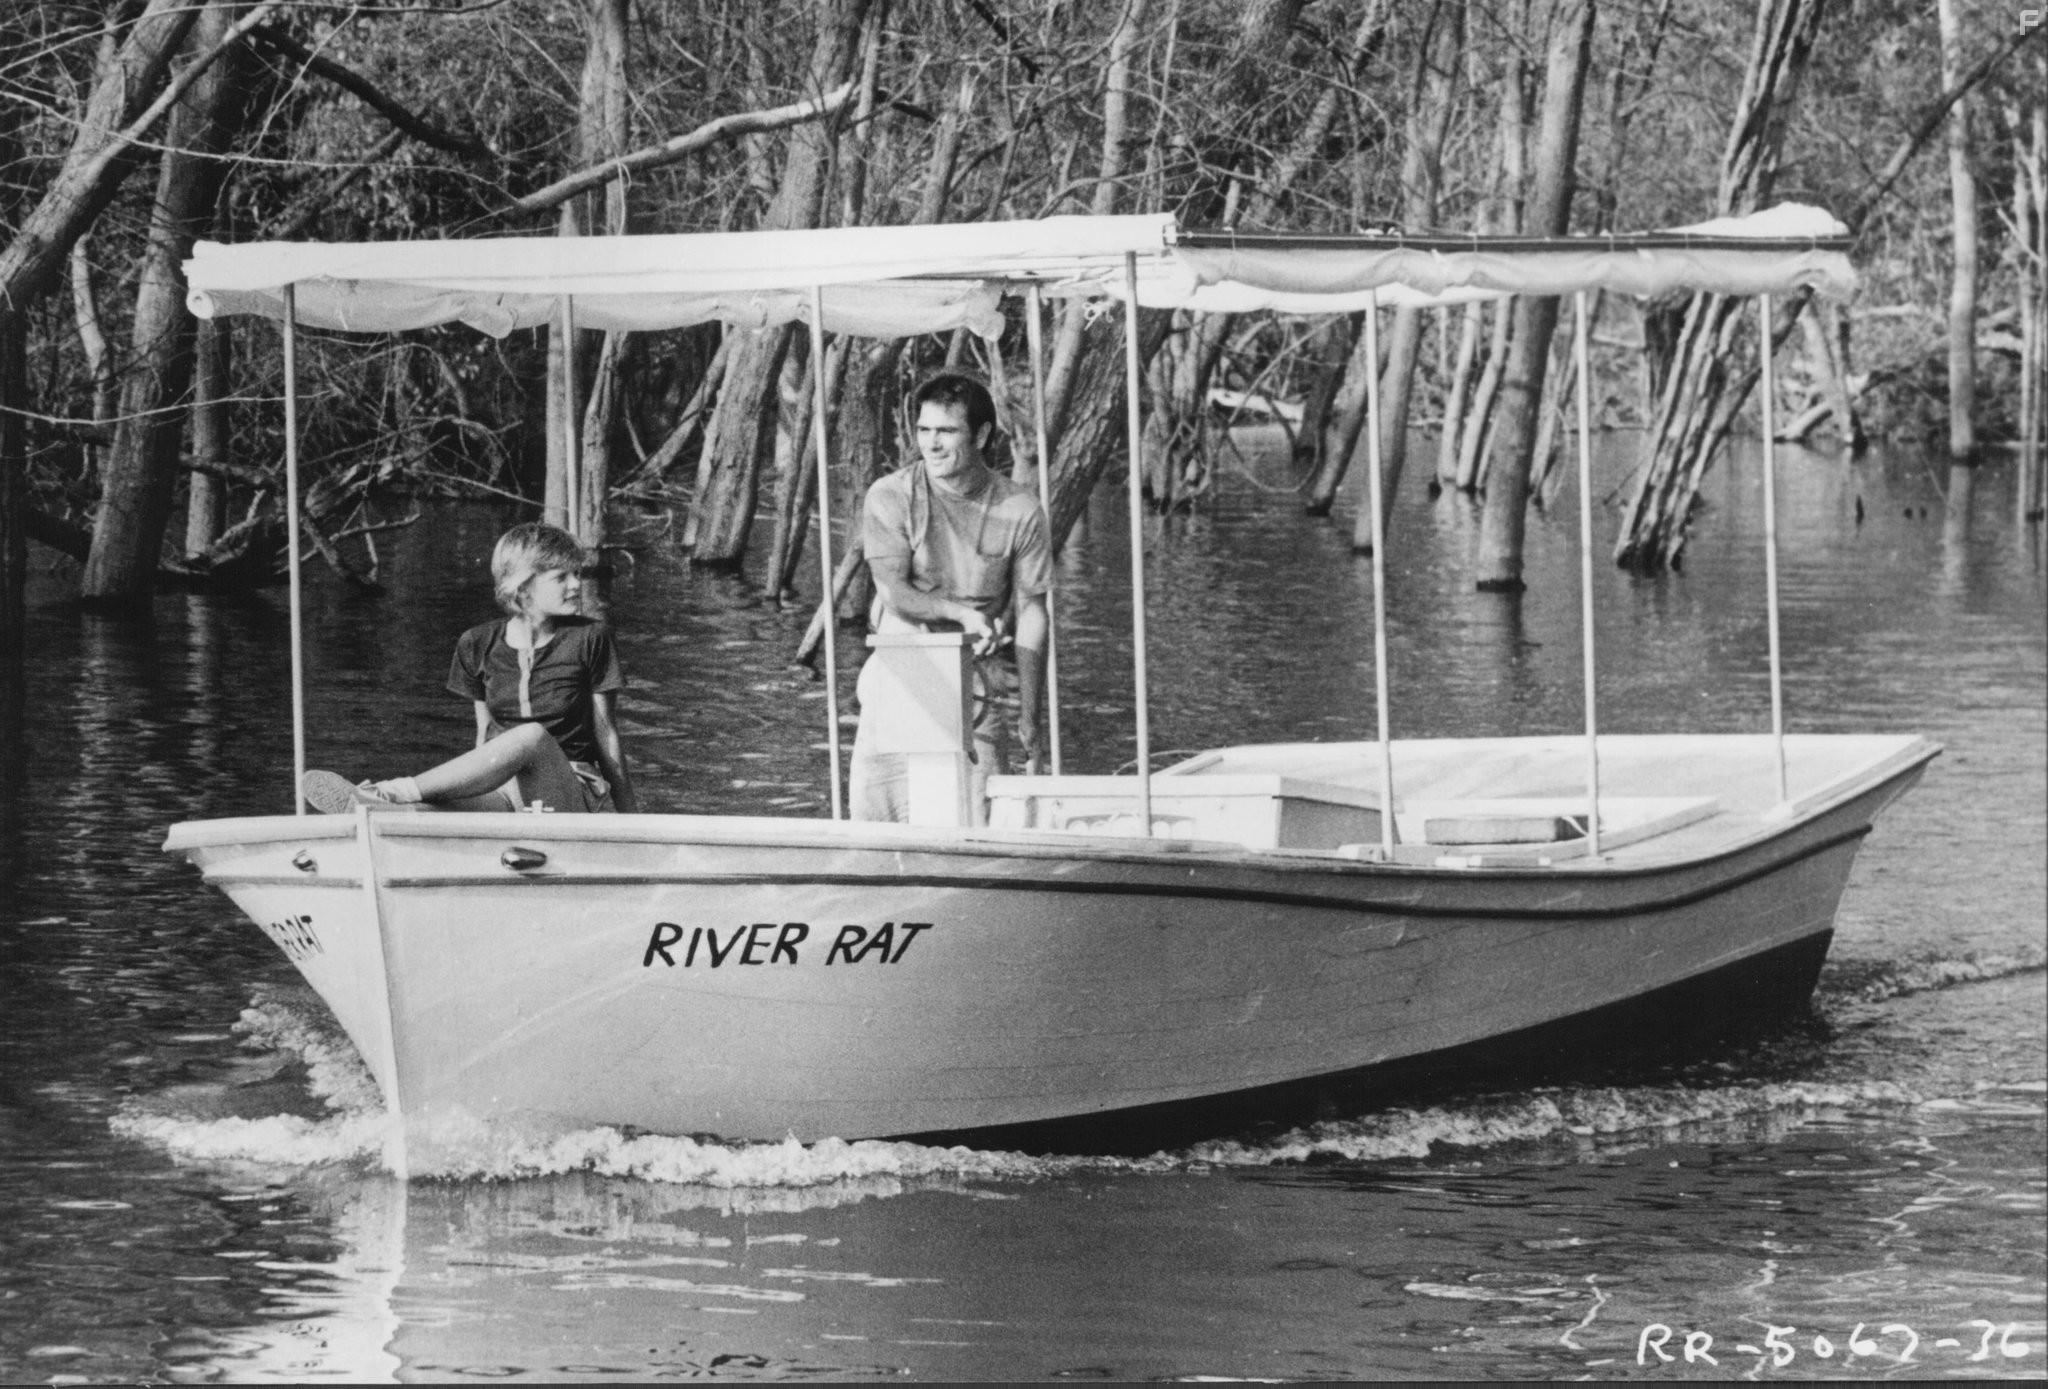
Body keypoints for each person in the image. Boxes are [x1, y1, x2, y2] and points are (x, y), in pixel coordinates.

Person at [301, 522, 638, 814]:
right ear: (523, 586)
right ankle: (373, 806)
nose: (577, 585)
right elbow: (485, 738)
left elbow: (606, 734)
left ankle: (388, 790)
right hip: (505, 791)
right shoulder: (477, 643)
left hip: (567, 791)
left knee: (532, 736)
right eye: (562, 577)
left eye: (576, 574)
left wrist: (631, 823)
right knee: (421, 811)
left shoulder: (590, 637)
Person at [850, 373, 1051, 822]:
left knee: (975, 825)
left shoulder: (1021, 509)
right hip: (900, 670)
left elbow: (1033, 611)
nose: (932, 444)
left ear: (980, 434)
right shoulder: (891, 495)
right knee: (875, 825)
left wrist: (1032, 716)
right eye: (924, 430)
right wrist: (959, 614)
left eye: (946, 431)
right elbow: (894, 591)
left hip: (977, 684)